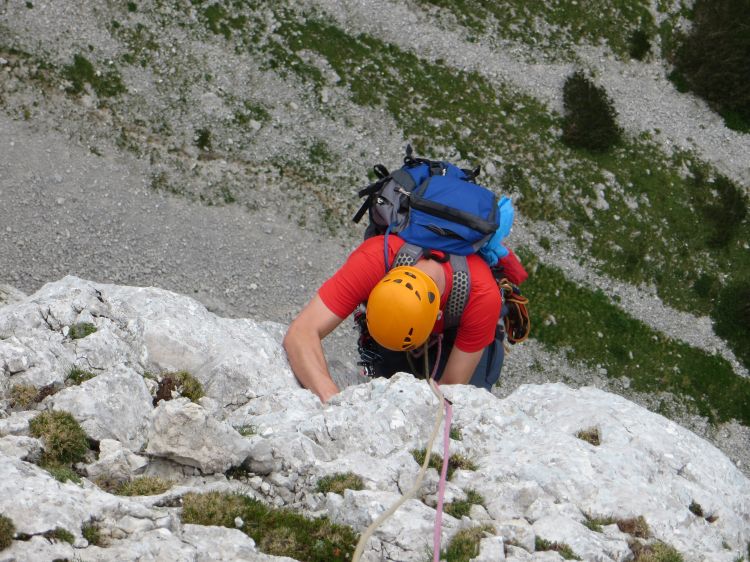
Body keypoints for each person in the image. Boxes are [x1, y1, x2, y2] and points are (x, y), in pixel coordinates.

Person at [283, 224, 528, 403]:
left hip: (458, 333)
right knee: (387, 384)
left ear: (436, 315)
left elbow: (450, 393)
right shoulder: (374, 258)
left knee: (465, 404)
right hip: (393, 328)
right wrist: (332, 399)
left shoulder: (482, 296)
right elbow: (301, 333)